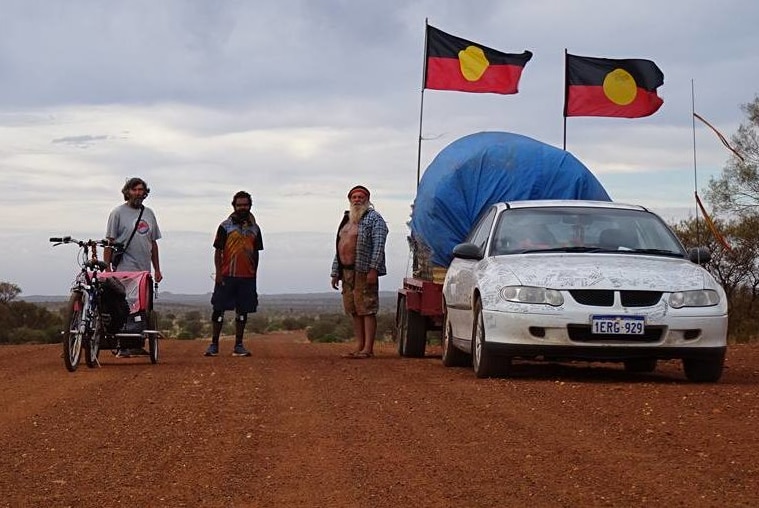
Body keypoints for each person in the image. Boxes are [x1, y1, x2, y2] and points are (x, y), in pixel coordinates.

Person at [104, 177, 163, 358]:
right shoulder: (117, 213)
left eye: (141, 190)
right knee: (126, 307)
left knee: (142, 308)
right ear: (127, 191)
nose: (138, 193)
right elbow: (110, 242)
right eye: (135, 190)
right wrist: (107, 269)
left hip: (144, 270)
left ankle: (137, 344)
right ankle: (123, 346)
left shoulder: (149, 213)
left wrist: (157, 268)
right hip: (125, 268)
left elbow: (152, 243)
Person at [330, 185, 389, 359]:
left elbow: (379, 246)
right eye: (354, 197)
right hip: (347, 272)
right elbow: (339, 247)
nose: (357, 200)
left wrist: (373, 269)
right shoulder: (347, 220)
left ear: (367, 199)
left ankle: (368, 348)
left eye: (360, 197)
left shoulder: (374, 219)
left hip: (364, 270)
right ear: (349, 200)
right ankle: (359, 345)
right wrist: (335, 272)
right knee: (354, 309)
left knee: (367, 309)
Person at [204, 191, 263, 357]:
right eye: (239, 205)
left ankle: (238, 345)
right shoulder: (225, 226)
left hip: (247, 276)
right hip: (226, 274)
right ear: (234, 206)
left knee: (242, 311)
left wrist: (254, 273)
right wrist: (218, 273)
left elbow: (256, 253)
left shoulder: (255, 228)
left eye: (245, 205)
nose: (242, 208)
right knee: (218, 309)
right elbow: (218, 251)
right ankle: (214, 344)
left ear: (250, 206)